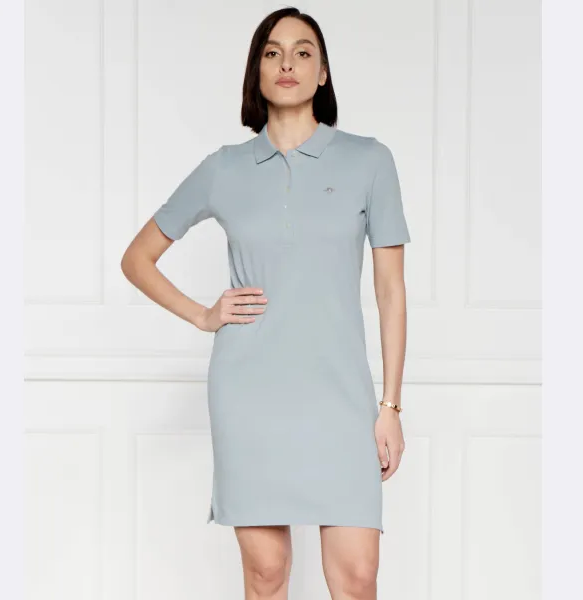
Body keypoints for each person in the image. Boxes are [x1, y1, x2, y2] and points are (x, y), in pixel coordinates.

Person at [121, 6, 410, 599]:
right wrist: (204, 315)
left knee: (357, 577)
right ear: (257, 70)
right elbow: (137, 258)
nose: (287, 64)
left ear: (323, 73)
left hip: (340, 396)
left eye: (303, 52)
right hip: (249, 393)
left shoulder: (369, 160)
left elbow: (390, 291)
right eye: (273, 52)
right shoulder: (223, 169)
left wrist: (390, 407)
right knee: (266, 573)